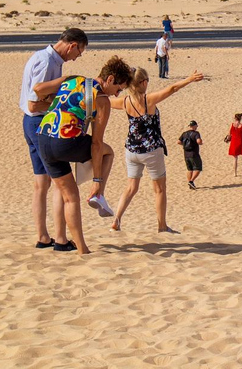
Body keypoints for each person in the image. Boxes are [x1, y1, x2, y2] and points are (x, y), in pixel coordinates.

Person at [34, 56, 133, 254]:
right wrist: (96, 178)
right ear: (110, 79)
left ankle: (81, 249)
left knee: (70, 196)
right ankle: (99, 192)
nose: (117, 94)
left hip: (43, 138)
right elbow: (96, 143)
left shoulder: (71, 79)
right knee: (108, 152)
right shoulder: (102, 99)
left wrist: (54, 102)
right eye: (119, 89)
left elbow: (38, 89)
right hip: (66, 141)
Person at [109, 68, 204, 233]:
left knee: (131, 187)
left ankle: (116, 221)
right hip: (151, 150)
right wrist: (189, 79)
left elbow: (105, 101)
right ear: (143, 82)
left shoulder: (125, 101)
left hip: (131, 150)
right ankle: (162, 226)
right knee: (159, 189)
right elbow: (172, 89)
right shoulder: (148, 100)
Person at [20, 28, 88, 250]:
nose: (77, 57)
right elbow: (33, 102)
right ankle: (59, 238)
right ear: (72, 45)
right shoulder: (47, 62)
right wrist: (61, 105)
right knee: (60, 181)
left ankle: (43, 236)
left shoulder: (48, 59)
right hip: (40, 122)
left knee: (42, 183)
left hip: (33, 123)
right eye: (79, 52)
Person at [178, 120, 203, 189]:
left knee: (190, 169)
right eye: (196, 126)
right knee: (198, 168)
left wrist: (185, 145)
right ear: (194, 126)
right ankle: (191, 181)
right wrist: (200, 142)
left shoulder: (184, 133)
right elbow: (198, 141)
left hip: (186, 154)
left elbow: (179, 142)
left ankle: (190, 183)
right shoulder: (196, 133)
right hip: (193, 153)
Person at [225, 113, 242, 177]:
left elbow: (229, 134)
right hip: (241, 142)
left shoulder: (233, 125)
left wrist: (227, 139)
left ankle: (235, 173)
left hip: (234, 142)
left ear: (235, 118)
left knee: (235, 158)